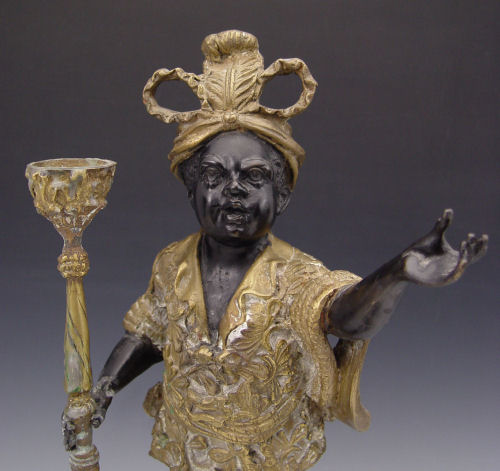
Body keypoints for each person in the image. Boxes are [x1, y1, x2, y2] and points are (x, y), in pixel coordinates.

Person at [63, 31, 487, 471]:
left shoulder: (297, 276)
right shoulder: (171, 264)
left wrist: (395, 274)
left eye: (253, 177)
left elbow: (346, 318)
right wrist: (103, 391)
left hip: (270, 452)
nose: (233, 190)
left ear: (281, 196)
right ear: (191, 191)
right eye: (214, 176)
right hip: (188, 444)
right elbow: (148, 335)